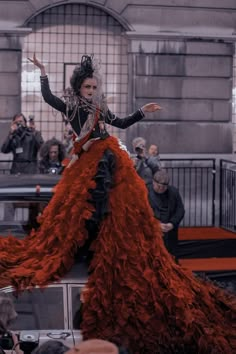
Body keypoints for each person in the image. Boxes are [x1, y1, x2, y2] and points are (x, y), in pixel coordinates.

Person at [0, 54, 234, 354]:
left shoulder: (100, 107)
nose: (91, 89)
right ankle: (87, 239)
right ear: (78, 86)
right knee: (83, 203)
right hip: (90, 160)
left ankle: (104, 235)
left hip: (108, 155)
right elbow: (47, 97)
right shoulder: (70, 106)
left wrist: (141, 111)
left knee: (117, 202)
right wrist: (43, 73)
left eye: (94, 86)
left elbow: (121, 123)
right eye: (87, 86)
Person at [148, 169, 185, 257]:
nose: (161, 189)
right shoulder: (145, 192)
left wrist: (172, 223)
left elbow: (180, 210)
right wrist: (155, 224)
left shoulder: (173, 192)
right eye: (158, 186)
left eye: (164, 187)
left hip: (170, 231)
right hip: (151, 232)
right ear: (153, 182)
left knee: (171, 256)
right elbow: (142, 213)